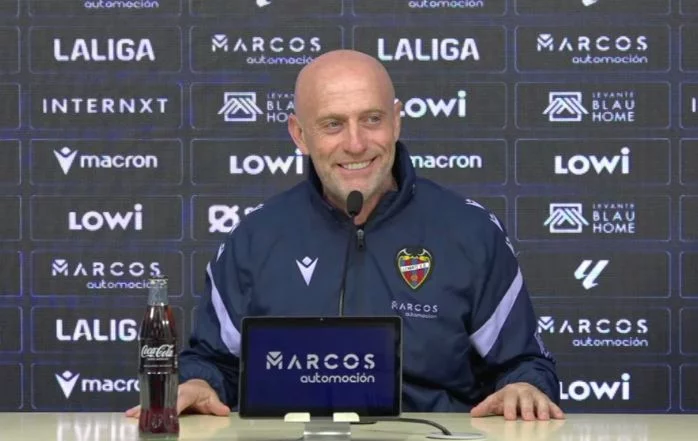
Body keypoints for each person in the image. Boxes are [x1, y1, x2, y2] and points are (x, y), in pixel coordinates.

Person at [127, 49, 564, 421]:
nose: (356, 144)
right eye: (333, 124)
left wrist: (524, 387)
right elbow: (211, 361)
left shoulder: (470, 232)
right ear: (299, 134)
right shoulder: (255, 238)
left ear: (397, 121)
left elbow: (523, 364)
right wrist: (199, 383)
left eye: (372, 119)